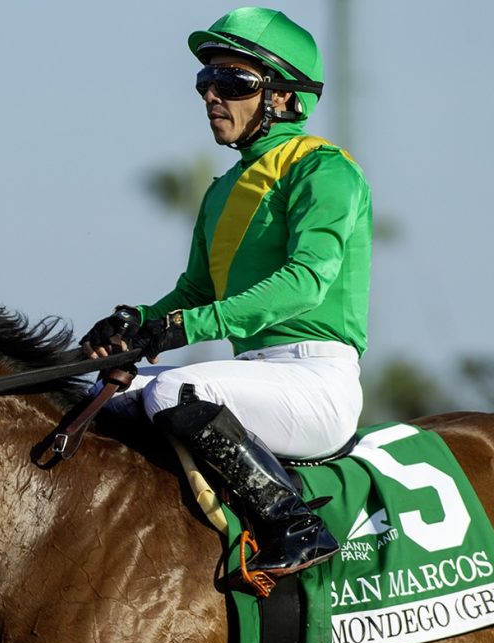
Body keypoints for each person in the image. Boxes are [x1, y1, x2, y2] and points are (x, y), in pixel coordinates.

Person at [81, 7, 372, 577]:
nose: (213, 96)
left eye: (233, 82)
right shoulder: (221, 191)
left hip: (316, 382)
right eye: (205, 82)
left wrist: (186, 328)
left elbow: (306, 282)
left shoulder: (324, 170)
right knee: (105, 396)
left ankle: (295, 525)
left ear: (285, 98)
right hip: (253, 379)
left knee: (171, 393)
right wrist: (135, 321)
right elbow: (193, 290)